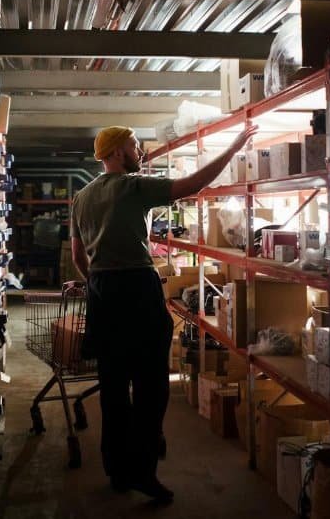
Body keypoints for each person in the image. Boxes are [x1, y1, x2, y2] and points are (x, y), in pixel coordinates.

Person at [69, 123, 259, 503]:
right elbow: (192, 185)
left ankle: (117, 470)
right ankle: (143, 472)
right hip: (137, 289)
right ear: (119, 151)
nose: (139, 151)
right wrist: (236, 146)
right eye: (135, 145)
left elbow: (78, 256)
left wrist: (98, 284)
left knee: (113, 387)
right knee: (151, 386)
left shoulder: (82, 197)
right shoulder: (133, 186)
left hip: (102, 293)